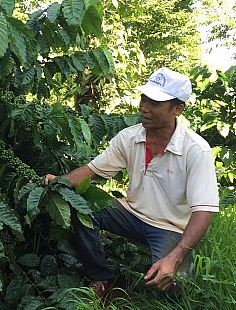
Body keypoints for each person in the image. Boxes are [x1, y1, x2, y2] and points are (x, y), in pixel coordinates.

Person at [46, 67, 219, 298]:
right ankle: (101, 279)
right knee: (81, 207)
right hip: (132, 213)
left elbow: (203, 212)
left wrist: (175, 257)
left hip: (170, 227)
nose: (143, 108)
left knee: (176, 287)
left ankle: (172, 267)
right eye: (144, 99)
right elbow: (92, 171)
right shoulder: (129, 137)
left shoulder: (195, 150)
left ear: (177, 109)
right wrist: (57, 182)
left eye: (155, 103)